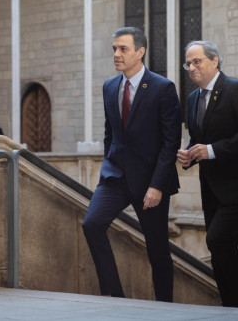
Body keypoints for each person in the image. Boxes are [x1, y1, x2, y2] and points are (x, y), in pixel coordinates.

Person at [82, 27, 182, 302]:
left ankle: (165, 308)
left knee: (158, 251)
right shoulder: (109, 86)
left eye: (123, 49)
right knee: (91, 224)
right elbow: (109, 132)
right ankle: (115, 296)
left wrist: (157, 185)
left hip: (151, 182)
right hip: (115, 178)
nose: (116, 54)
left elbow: (170, 142)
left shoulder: (163, 88)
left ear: (140, 52)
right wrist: (107, 166)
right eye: (114, 48)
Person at [176, 41, 238, 308]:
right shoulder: (192, 98)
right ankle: (232, 305)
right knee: (220, 246)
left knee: (217, 239)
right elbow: (198, 138)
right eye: (188, 63)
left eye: (197, 61)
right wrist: (188, 154)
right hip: (211, 186)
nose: (191, 67)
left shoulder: (237, 89)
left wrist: (211, 150)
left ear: (214, 61)